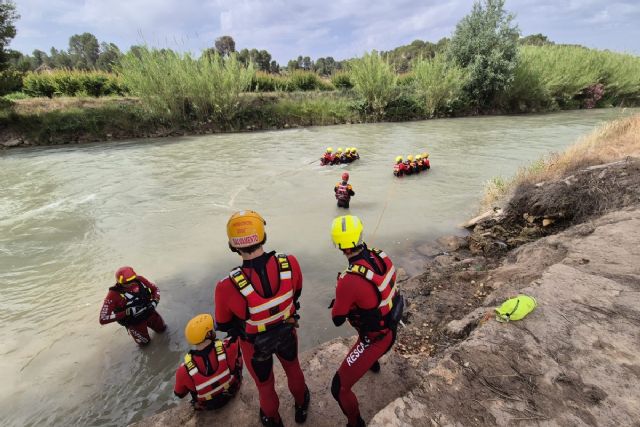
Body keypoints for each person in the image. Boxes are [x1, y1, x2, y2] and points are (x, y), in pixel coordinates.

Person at [214, 210, 310, 427]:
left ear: (233, 244)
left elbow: (224, 324)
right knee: (293, 368)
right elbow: (296, 294)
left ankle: (273, 420)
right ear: (263, 235)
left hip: (254, 345)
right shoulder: (290, 263)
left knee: (264, 385)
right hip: (287, 332)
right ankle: (302, 405)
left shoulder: (225, 286)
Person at [329, 215, 404, 427]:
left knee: (338, 388)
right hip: (392, 324)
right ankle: (373, 363)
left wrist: (342, 296)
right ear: (360, 234)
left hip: (376, 340)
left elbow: (337, 319)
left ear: (339, 246)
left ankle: (355, 423)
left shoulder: (348, 280)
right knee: (368, 314)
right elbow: (377, 295)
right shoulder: (382, 256)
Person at [174, 314, 243, 410]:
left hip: (207, 406)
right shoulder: (228, 347)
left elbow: (180, 394)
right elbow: (238, 358)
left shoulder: (183, 370)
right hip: (231, 391)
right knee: (237, 358)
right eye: (211, 329)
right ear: (208, 334)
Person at [99, 266, 166, 346]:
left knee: (163, 330)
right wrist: (127, 312)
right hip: (135, 323)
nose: (131, 283)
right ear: (120, 283)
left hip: (150, 313)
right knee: (145, 344)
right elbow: (103, 319)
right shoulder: (113, 294)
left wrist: (155, 301)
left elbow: (155, 289)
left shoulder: (140, 280)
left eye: (133, 280)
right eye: (127, 283)